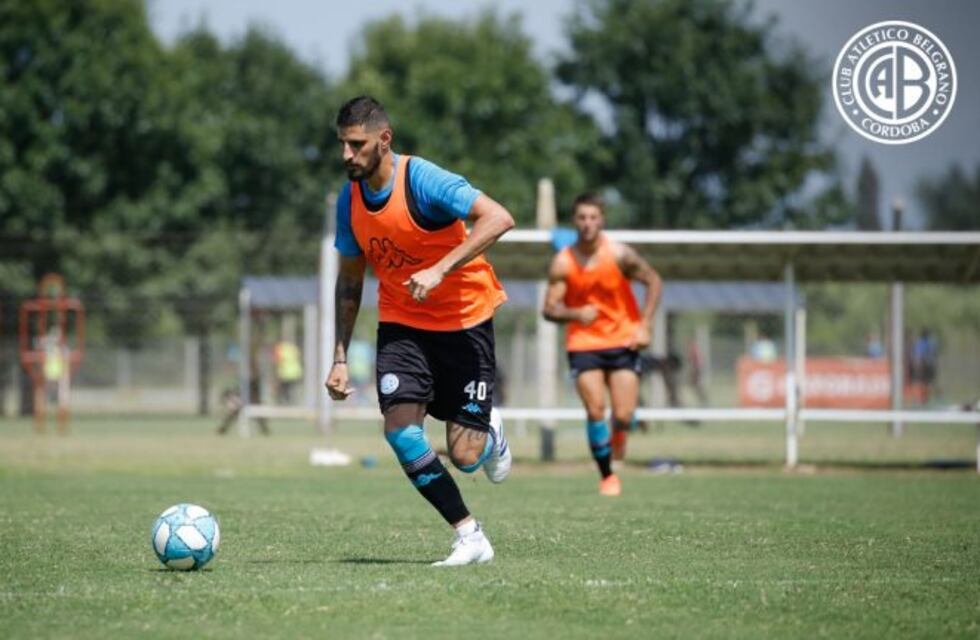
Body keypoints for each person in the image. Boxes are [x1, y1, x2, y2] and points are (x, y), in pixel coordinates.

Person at [324, 96, 514, 566]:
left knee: (466, 456)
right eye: (342, 145)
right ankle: (470, 536)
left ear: (383, 140)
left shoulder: (423, 180)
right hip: (403, 325)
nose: (347, 155)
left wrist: (439, 269)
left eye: (357, 144)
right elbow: (351, 279)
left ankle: (490, 435)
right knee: (401, 432)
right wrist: (340, 356)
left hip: (465, 320)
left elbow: (499, 217)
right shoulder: (349, 201)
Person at [542, 193, 662, 496]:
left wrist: (644, 324)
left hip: (623, 341)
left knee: (622, 416)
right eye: (582, 217)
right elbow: (549, 309)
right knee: (596, 410)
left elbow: (653, 280)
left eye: (593, 217)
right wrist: (575, 313)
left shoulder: (620, 254)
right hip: (583, 345)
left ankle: (620, 433)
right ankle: (607, 476)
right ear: (574, 221)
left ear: (602, 220)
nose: (587, 223)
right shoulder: (563, 261)